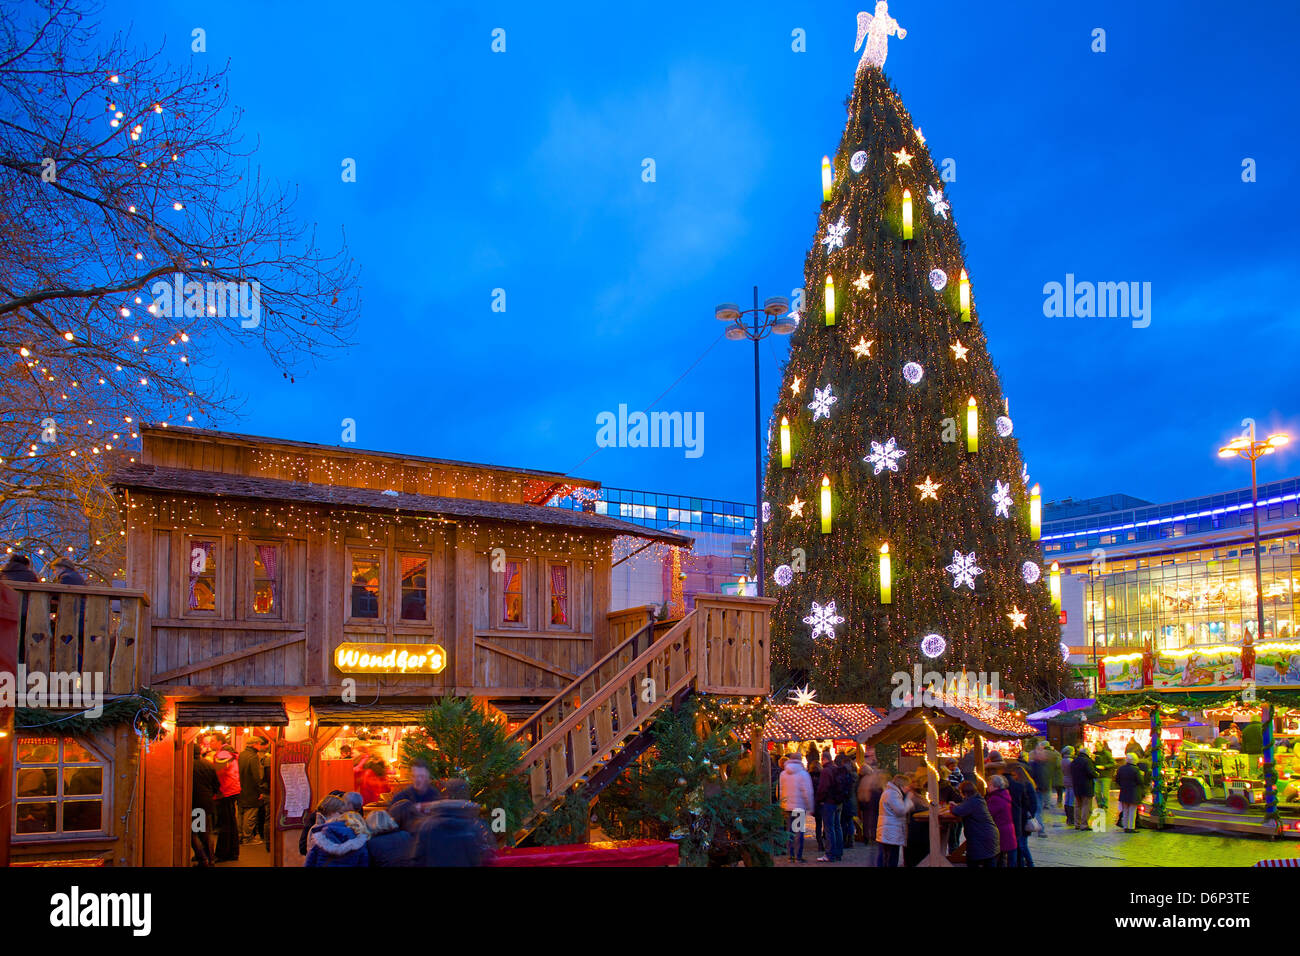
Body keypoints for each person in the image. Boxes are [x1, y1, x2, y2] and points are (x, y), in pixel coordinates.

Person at [410, 778, 494, 866]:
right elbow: (487, 858)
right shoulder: (477, 826)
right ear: (466, 795)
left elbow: (417, 860)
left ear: (445, 795)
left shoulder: (428, 825)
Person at [304, 795, 369, 866]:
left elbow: (310, 861)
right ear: (332, 811)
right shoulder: (355, 833)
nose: (344, 815)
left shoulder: (317, 832)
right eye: (341, 812)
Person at [949, 780, 998, 868]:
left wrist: (953, 806)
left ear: (964, 792)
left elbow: (957, 811)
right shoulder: (977, 799)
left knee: (974, 861)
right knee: (989, 860)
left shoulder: (972, 802)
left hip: (981, 837)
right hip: (988, 835)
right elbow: (964, 808)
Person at [209, 733, 241, 861]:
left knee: (225, 824)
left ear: (219, 742)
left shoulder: (223, 754)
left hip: (226, 791)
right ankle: (232, 852)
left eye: (212, 741)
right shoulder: (229, 753)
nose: (210, 744)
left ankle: (222, 853)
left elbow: (217, 771)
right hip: (232, 790)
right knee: (231, 823)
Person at [778, 755, 816, 863]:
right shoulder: (803, 774)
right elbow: (807, 792)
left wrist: (782, 804)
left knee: (789, 831)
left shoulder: (783, 774)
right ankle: (798, 855)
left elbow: (780, 791)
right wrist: (810, 806)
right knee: (799, 831)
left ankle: (790, 855)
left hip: (787, 807)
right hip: (799, 807)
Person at [388, 760, 442, 830]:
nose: (418, 780)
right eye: (415, 776)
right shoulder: (401, 798)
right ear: (411, 777)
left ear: (427, 778)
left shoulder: (435, 796)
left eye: (421, 776)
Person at [875, 773, 913, 868]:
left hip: (888, 829)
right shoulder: (893, 794)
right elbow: (900, 810)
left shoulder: (890, 792)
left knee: (885, 855)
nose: (908, 788)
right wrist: (908, 800)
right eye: (907, 786)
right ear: (901, 785)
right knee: (891, 856)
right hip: (891, 830)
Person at [191, 742, 219, 867]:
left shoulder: (188, 765)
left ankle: (204, 858)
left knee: (194, 833)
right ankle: (209, 858)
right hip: (206, 802)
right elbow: (216, 785)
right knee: (205, 832)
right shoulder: (208, 764)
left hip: (194, 803)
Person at [816, 752, 846, 863]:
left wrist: (819, 800)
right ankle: (838, 852)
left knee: (829, 829)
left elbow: (823, 788)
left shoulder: (826, 771)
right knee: (837, 827)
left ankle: (830, 854)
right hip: (838, 802)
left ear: (823, 759)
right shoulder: (836, 769)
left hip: (828, 802)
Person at [237, 735, 268, 844]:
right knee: (250, 815)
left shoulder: (242, 755)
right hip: (251, 790)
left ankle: (240, 836)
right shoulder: (254, 757)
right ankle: (248, 837)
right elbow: (256, 776)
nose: (260, 746)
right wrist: (260, 791)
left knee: (241, 814)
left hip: (241, 789)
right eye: (259, 744)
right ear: (255, 744)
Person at [1008, 764, 1038, 866]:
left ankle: (1030, 863)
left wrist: (1030, 814)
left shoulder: (1025, 785)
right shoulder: (1024, 784)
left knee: (1022, 844)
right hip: (1021, 817)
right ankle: (1022, 862)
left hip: (1023, 818)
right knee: (1021, 843)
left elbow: (1033, 802)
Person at [986, 775, 1018, 867]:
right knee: (1004, 856)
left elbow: (988, 813)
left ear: (996, 786)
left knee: (999, 856)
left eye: (989, 785)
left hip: (1001, 830)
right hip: (1007, 829)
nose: (987, 787)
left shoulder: (995, 799)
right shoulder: (1004, 794)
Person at [858, 769, 885, 866]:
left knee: (875, 847)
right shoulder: (880, 792)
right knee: (879, 847)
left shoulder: (870, 789)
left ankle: (874, 863)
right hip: (879, 822)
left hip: (873, 819)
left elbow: (862, 797)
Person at [1071, 746, 1098, 831]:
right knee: (1086, 805)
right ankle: (1084, 824)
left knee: (1078, 805)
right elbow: (1091, 773)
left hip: (1076, 785)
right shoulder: (1087, 761)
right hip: (1086, 786)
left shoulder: (1074, 761)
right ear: (1087, 753)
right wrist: (1096, 774)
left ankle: (1077, 823)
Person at [1115, 753, 1142, 832]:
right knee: (1132, 810)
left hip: (1124, 791)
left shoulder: (1121, 768)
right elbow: (1140, 781)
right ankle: (1131, 827)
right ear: (1134, 760)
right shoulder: (1136, 769)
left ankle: (1125, 826)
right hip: (1133, 792)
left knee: (1125, 810)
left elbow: (1117, 780)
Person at [838, 754, 859, 850]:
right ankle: (851, 840)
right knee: (850, 821)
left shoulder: (847, 775)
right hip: (853, 801)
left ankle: (845, 840)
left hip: (846, 801)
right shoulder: (856, 775)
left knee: (843, 821)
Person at [1093, 743, 1116, 814]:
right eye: (1095, 746)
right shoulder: (1094, 754)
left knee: (1105, 792)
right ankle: (1100, 805)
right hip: (1097, 775)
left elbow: (1113, 763)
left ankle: (1105, 806)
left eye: (1097, 746)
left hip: (1106, 775)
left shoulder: (1106, 754)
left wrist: (1105, 766)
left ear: (1101, 746)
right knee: (1097, 792)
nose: (1096, 747)